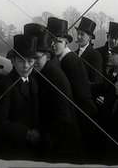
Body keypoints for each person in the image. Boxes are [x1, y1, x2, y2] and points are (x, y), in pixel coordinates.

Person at [24, 23, 83, 162]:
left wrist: (42, 134)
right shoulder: (42, 72)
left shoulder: (54, 76)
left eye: (37, 58)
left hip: (63, 147)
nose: (33, 63)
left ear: (48, 56)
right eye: (30, 58)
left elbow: (63, 117)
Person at [47, 17, 99, 161]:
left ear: (66, 42)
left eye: (57, 41)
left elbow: (75, 92)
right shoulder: (66, 58)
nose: (53, 45)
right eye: (51, 41)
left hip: (83, 112)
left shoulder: (69, 59)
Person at [0, 34, 41, 160]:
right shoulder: (5, 85)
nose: (26, 66)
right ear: (13, 61)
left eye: (30, 61)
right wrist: (27, 133)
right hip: (11, 152)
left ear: (34, 62)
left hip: (30, 150)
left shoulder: (33, 82)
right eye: (20, 61)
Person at [75, 17, 102, 83]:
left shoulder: (95, 55)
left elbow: (96, 81)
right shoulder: (74, 54)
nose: (79, 37)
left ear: (89, 38)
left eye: (82, 34)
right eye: (78, 33)